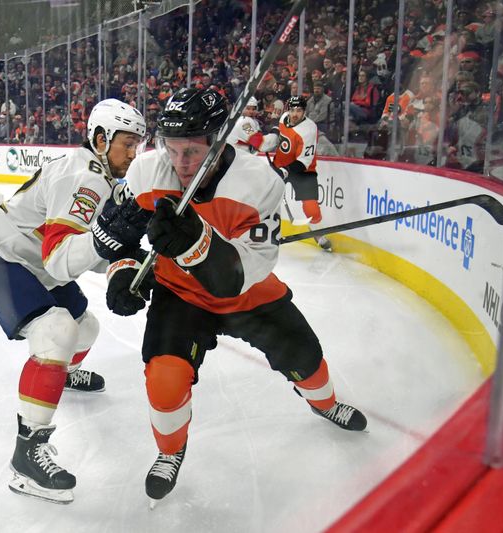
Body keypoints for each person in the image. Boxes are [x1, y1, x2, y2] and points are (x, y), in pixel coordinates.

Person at [94, 87, 366, 506]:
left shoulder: (259, 183)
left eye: (193, 151)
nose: (180, 164)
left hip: (248, 296)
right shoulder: (147, 172)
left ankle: (324, 403)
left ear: (220, 141)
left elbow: (238, 277)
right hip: (180, 293)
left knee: (306, 358)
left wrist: (194, 244)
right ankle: (170, 451)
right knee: (164, 383)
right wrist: (123, 271)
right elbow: (118, 233)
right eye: (173, 149)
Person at [0, 99, 147, 504]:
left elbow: (85, 254)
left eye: (139, 144)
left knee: (86, 328)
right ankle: (26, 457)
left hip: (31, 263)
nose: (134, 154)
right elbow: (61, 260)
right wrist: (106, 245)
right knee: (57, 331)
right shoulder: (86, 177)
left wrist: (127, 263)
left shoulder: (105, 179)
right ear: (101, 138)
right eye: (127, 143)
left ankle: (61, 374)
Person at [261, 95, 332, 251]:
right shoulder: (285, 117)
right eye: (292, 110)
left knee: (311, 208)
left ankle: (318, 233)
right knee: (265, 200)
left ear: (304, 111)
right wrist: (271, 136)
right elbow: (278, 128)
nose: (295, 114)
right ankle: (262, 232)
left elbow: (304, 161)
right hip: (279, 165)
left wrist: (285, 172)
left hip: (303, 170)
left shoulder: (309, 129)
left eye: (299, 110)